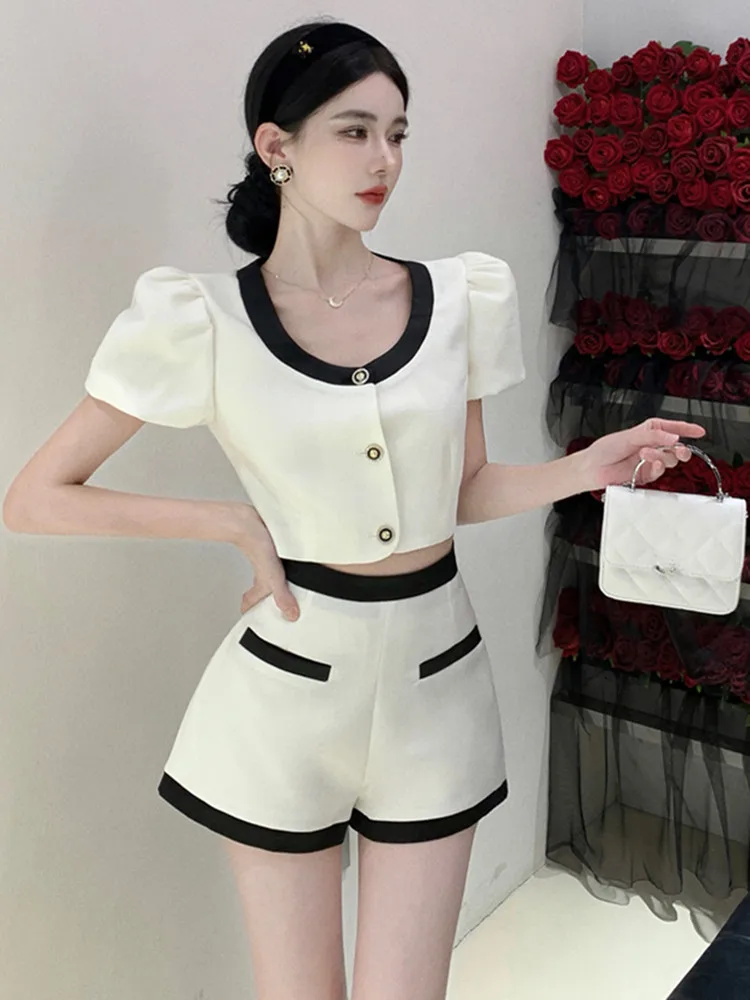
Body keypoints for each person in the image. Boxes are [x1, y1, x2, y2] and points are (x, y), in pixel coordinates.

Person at [2, 17, 706, 1000]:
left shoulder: (457, 297)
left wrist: (585, 467)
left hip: (438, 687)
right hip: (285, 694)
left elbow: (459, 492)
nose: (385, 160)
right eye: (355, 130)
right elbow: (35, 497)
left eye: (398, 133)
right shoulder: (201, 319)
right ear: (276, 146)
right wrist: (232, 523)